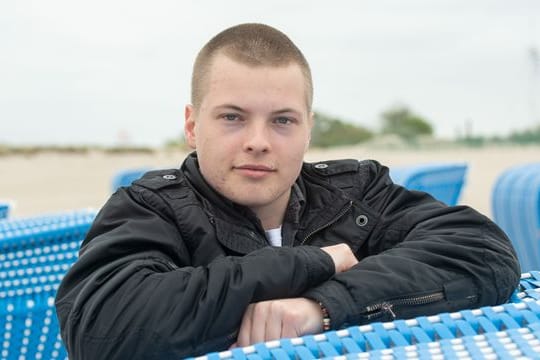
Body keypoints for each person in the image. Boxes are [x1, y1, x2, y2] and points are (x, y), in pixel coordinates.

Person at [55, 23, 520, 359]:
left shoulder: (355, 192)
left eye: (282, 120)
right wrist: (313, 261)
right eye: (233, 117)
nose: (258, 140)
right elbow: (101, 329)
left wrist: (321, 307)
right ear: (193, 126)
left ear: (307, 130)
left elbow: (481, 251)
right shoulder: (150, 208)